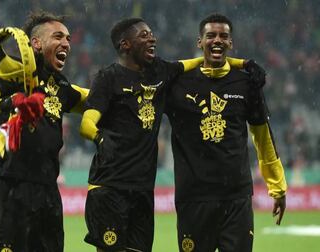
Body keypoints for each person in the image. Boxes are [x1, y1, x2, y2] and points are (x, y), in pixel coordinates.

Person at [79, 17, 261, 252]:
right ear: (125, 44)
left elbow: (199, 61)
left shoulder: (160, 72)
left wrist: (243, 64)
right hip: (109, 185)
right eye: (143, 35)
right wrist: (99, 137)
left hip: (143, 189)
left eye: (152, 33)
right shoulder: (108, 77)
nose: (152, 38)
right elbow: (86, 123)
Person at [165, 13, 287, 252]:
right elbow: (153, 75)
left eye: (224, 36)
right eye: (210, 36)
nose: (217, 40)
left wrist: (278, 186)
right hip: (194, 198)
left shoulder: (247, 84)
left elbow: (263, 138)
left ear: (231, 42)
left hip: (236, 197)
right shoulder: (178, 84)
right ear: (199, 42)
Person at [0, 11, 88, 252]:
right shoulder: (8, 73)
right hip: (12, 185)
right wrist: (12, 101)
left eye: (67, 38)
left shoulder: (61, 86)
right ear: (36, 43)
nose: (66, 42)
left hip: (48, 191)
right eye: (58, 36)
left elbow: (96, 99)